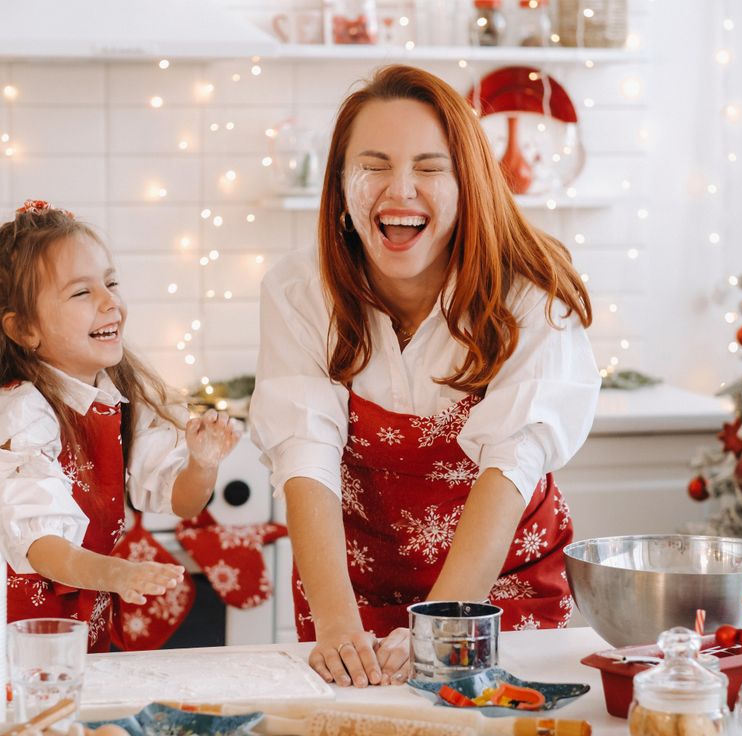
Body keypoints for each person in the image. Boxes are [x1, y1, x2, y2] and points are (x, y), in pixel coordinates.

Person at [251, 65, 601, 688]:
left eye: (430, 168)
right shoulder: (298, 291)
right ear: (338, 184)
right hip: (350, 597)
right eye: (373, 165)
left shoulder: (530, 294)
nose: (400, 189)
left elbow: (509, 465)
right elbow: (305, 456)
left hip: (502, 591)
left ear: (469, 182)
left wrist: (439, 627)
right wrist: (336, 624)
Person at [0, 199, 239, 652]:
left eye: (111, 282)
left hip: (75, 635)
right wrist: (116, 573)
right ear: (24, 330)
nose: (110, 302)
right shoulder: (22, 412)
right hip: (13, 645)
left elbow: (183, 501)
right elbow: (40, 543)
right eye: (82, 293)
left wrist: (202, 465)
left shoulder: (115, 397)